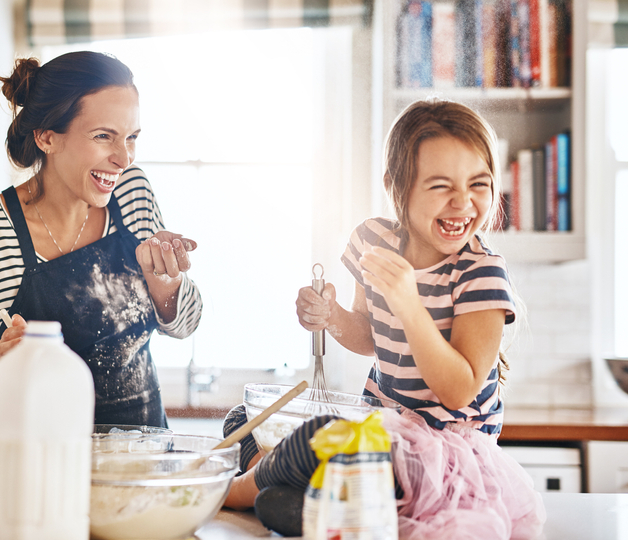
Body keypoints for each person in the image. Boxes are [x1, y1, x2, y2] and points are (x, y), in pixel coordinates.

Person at [222, 99, 545, 539]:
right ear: (397, 186)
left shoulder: (481, 272)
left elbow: (458, 389)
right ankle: (289, 485)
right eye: (439, 186)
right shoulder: (372, 241)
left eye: (479, 184)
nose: (463, 202)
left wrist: (408, 302)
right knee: (244, 419)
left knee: (318, 436)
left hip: (442, 457)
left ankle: (236, 488)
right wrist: (330, 316)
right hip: (380, 432)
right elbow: (369, 336)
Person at [0, 52, 202, 436]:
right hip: (33, 458)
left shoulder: (133, 195)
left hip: (140, 459)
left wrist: (165, 282)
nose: (123, 158)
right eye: (104, 136)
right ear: (47, 137)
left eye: (131, 138)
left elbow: (185, 325)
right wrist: (9, 366)